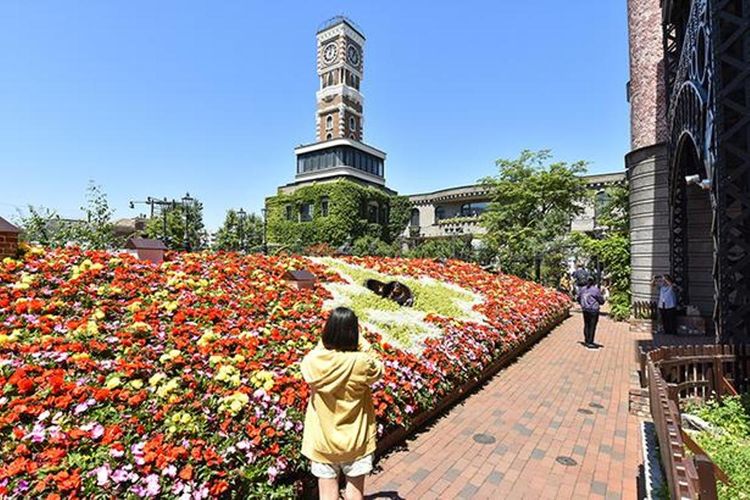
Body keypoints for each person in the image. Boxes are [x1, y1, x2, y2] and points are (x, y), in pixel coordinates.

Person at [301, 307, 384, 500]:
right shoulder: (361, 362)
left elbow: (316, 352)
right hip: (356, 439)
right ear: (353, 334)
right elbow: (379, 367)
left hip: (322, 440)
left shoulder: (315, 361)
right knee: (355, 494)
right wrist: (361, 340)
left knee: (328, 495)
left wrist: (327, 337)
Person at [578, 276, 606, 349]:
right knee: (592, 326)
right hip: (593, 310)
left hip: (585, 309)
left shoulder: (583, 289)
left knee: (586, 324)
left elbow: (578, 298)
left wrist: (582, 304)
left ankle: (587, 340)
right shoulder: (596, 290)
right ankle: (590, 342)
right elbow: (601, 301)